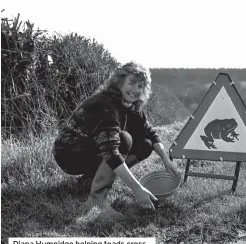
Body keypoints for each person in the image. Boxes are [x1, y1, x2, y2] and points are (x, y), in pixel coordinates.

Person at [52, 61, 180, 218]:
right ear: (120, 82)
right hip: (69, 154)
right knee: (124, 139)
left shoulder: (129, 104)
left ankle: (90, 179)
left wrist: (165, 158)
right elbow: (111, 151)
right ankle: (96, 199)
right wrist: (138, 189)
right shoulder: (106, 104)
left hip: (89, 148)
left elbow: (149, 132)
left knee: (145, 145)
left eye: (140, 86)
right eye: (131, 83)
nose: (135, 90)